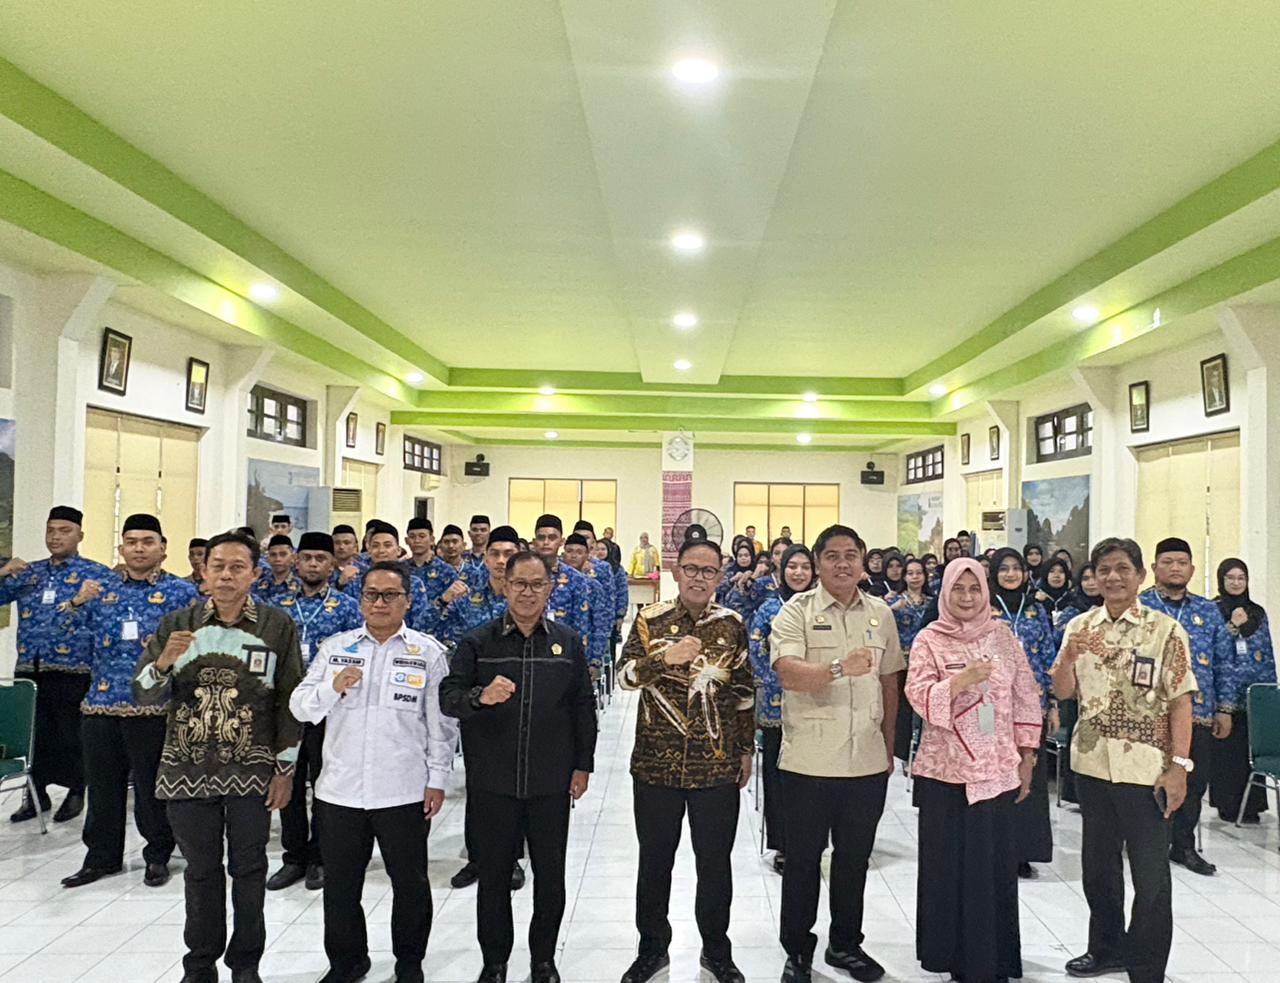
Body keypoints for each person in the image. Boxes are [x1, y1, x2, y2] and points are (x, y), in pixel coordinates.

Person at [134, 531, 304, 983]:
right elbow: (143, 694)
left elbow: (290, 701)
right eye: (218, 567)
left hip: (252, 769)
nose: (226, 576)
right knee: (201, 871)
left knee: (249, 870)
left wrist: (285, 769)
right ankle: (199, 964)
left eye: (237, 567)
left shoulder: (276, 626)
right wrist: (163, 663)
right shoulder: (178, 624)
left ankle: (245, 964)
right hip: (186, 769)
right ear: (203, 572)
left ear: (254, 574)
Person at [291, 562, 458, 983]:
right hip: (340, 791)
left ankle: (409, 964)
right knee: (341, 887)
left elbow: (441, 725)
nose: (379, 603)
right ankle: (347, 962)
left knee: (410, 885)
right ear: (361, 599)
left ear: (408, 601)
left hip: (403, 790)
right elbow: (301, 707)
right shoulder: (336, 648)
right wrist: (332, 687)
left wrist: (437, 779)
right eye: (371, 594)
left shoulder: (428, 653)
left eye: (390, 595)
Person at [440, 551, 597, 983]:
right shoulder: (478, 642)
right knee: (493, 878)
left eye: (537, 584)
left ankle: (543, 960)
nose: (528, 593)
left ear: (550, 589)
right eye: (520, 584)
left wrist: (583, 764)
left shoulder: (567, 642)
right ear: (505, 586)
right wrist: (480, 697)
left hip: (550, 781)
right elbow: (448, 697)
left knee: (550, 877)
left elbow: (583, 707)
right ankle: (494, 962)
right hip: (493, 781)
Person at [1050, 537, 1196, 983]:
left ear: (1140, 576)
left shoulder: (1165, 631)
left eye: (1122, 569)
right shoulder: (1079, 626)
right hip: (1092, 767)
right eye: (1104, 570)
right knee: (1098, 871)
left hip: (1147, 772)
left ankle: (1147, 966)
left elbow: (1181, 702)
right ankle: (1106, 948)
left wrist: (1179, 767)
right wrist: (1068, 657)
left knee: (1151, 878)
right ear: (1094, 577)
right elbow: (1063, 691)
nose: (1112, 578)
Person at [769, 524, 904, 983]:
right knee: (803, 862)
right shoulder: (796, 611)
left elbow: (890, 681)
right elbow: (788, 674)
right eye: (832, 556)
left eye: (851, 555)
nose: (842, 564)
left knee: (853, 861)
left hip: (865, 760)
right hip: (809, 761)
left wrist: (888, 746)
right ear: (818, 562)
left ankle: (845, 945)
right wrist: (838, 668)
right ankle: (797, 950)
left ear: (863, 561)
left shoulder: (881, 614)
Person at [617, 536, 753, 983]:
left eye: (708, 571)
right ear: (676, 572)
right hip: (656, 765)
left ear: (720, 577)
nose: (699, 578)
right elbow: (625, 676)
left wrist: (746, 749)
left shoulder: (732, 624)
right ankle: (652, 950)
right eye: (691, 569)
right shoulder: (650, 619)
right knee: (655, 862)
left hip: (715, 766)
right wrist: (663, 658)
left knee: (714, 864)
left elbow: (743, 693)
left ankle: (716, 951)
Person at [906, 559, 1041, 983]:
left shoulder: (1003, 637)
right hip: (945, 774)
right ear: (945, 593)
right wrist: (961, 681)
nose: (966, 598)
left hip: (996, 771)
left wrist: (1028, 754)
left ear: (985, 592)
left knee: (991, 868)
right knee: (948, 869)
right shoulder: (930, 639)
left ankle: (991, 960)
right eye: (958, 589)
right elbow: (918, 695)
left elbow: (1025, 694)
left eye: (974, 589)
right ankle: (950, 957)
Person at [58, 513, 199, 888]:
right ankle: (101, 858)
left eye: (147, 541)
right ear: (121, 548)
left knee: (153, 791)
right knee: (103, 789)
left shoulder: (181, 593)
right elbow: (65, 634)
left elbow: (198, 647)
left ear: (163, 548)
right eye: (132, 542)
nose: (139, 548)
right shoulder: (99, 589)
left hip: (155, 706)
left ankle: (157, 856)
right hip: (101, 704)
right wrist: (76, 601)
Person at [0, 505, 112, 823]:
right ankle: (36, 795)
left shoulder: (97, 574)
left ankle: (76, 790)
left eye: (64, 531)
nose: (55, 537)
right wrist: (2, 572)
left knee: (71, 734)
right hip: (30, 667)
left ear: (80, 535)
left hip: (74, 668)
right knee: (35, 735)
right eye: (50, 530)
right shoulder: (29, 573)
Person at [267, 532, 363, 892]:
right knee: (288, 782)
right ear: (296, 561)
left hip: (331, 710)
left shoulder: (347, 607)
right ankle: (293, 857)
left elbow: (357, 656)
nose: (312, 564)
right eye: (306, 557)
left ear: (332, 564)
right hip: (286, 709)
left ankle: (321, 858)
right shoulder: (276, 606)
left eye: (320, 559)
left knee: (325, 784)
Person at [1138, 537, 1232, 876]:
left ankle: (1183, 846)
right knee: (1147, 782)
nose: (1175, 568)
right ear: (1154, 568)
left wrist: (1225, 708)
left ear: (1192, 569)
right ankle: (1148, 845)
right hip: (1149, 715)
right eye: (1168, 562)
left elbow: (1224, 661)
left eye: (1181, 563)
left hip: (1199, 714)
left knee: (1194, 784)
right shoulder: (1140, 606)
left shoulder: (1208, 611)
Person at [439, 526, 520, 890]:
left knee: (514, 786)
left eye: (508, 554)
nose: (501, 561)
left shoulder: (528, 597)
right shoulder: (467, 596)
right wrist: (443, 600)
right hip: (476, 702)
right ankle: (477, 857)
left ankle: (511, 859)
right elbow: (430, 627)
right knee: (479, 785)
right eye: (495, 554)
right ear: (484, 558)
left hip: (517, 703)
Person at [749, 544, 816, 874]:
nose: (799, 573)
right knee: (778, 778)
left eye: (805, 566)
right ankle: (784, 845)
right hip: (777, 705)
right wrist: (779, 679)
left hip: (817, 704)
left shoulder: (822, 607)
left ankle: (812, 842)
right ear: (781, 569)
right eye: (793, 566)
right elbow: (755, 648)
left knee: (813, 778)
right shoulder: (769, 608)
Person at [988, 548, 1055, 879]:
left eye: (1016, 568)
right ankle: (994, 849)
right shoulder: (984, 607)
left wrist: (1052, 703)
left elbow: (1048, 654)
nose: (1011, 574)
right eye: (1004, 568)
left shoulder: (1035, 608)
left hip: (1032, 705)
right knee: (995, 774)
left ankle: (1023, 852)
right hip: (991, 707)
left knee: (1029, 775)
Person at [1210, 558, 1277, 823]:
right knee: (1227, 752)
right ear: (1221, 580)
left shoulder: (1257, 613)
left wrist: (1269, 692)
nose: (1236, 583)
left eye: (1241, 578)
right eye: (1231, 578)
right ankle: (1227, 805)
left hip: (1253, 694)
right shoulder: (1212, 610)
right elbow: (1212, 647)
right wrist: (1232, 626)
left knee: (1249, 750)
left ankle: (1253, 805)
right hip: (1224, 694)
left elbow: (1267, 653)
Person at [342, 522, 433, 632]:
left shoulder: (413, 583)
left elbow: (421, 621)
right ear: (369, 551)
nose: (381, 551)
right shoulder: (355, 583)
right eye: (375, 546)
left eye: (387, 545)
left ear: (398, 550)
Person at [889, 558, 932, 762]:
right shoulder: (894, 601)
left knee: (924, 707)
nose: (915, 577)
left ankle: (923, 751)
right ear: (904, 577)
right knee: (903, 708)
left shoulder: (933, 602)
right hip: (903, 663)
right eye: (910, 573)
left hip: (927, 663)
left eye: (919, 573)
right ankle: (902, 753)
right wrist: (892, 609)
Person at [532, 514, 592, 655]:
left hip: (564, 650)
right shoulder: (523, 574)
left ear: (561, 541)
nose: (546, 542)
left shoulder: (575, 578)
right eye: (541, 538)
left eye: (552, 538)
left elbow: (581, 623)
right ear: (534, 542)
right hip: (529, 649)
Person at [561, 532, 611, 678]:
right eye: (569, 551)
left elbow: (599, 625)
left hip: (584, 654)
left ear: (587, 555)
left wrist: (596, 661)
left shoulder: (594, 586)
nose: (573, 556)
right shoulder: (553, 583)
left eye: (579, 552)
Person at [252, 534, 300, 604]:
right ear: (267, 558)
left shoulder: (301, 586)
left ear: (292, 557)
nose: (278, 559)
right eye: (273, 555)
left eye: (283, 554)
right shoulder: (257, 584)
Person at [717, 540, 756, 607]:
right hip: (727, 608)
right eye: (740, 556)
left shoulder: (756, 572)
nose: (743, 558)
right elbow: (718, 590)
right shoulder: (729, 571)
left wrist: (751, 578)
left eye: (746, 555)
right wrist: (732, 580)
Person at [331, 524, 366, 589]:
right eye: (337, 543)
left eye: (346, 543)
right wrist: (339, 584)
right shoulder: (326, 570)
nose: (341, 547)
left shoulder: (365, 570)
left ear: (355, 546)